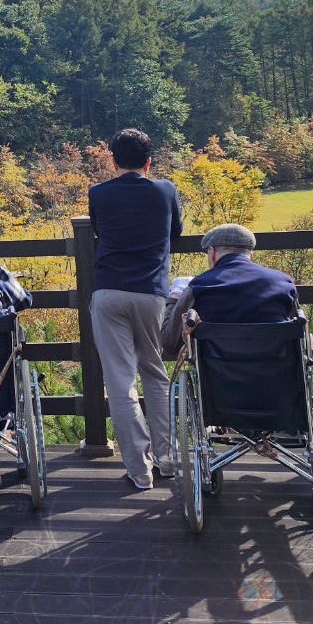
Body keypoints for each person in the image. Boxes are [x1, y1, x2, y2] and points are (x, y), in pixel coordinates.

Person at [87, 127, 184, 491]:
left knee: (121, 381)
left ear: (112, 161)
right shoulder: (165, 190)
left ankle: (139, 470)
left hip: (109, 290)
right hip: (151, 292)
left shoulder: (98, 193)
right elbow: (174, 231)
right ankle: (167, 458)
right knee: (155, 373)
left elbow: (97, 230)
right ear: (148, 161)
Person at [166, 224, 298, 335]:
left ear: (211, 253)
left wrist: (175, 296)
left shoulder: (199, 286)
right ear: (250, 255)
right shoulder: (284, 283)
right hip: (276, 365)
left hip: (215, 366)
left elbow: (169, 343)